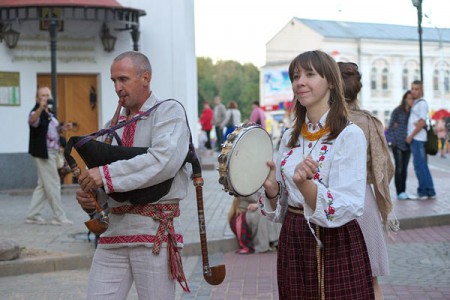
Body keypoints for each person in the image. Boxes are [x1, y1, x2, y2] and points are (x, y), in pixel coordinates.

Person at [75, 51, 191, 299]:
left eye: (123, 79)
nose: (117, 87)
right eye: (113, 81)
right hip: (114, 234)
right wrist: (91, 198)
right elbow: (104, 186)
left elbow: (163, 161)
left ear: (145, 78)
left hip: (152, 234)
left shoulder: (168, 112)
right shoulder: (111, 126)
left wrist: (104, 176)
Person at [260, 50, 374, 299]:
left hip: (334, 241)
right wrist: (272, 189)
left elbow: (350, 203)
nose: (300, 82)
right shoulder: (291, 136)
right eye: (296, 75)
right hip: (293, 239)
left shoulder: (348, 135)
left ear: (331, 81)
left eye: (310, 74)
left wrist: (307, 186)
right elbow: (281, 207)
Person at [339, 61, 397, 300]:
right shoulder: (370, 121)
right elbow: (386, 169)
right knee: (370, 281)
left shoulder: (327, 122)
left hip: (331, 201)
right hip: (364, 203)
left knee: (336, 279)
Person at [26, 86, 73, 226]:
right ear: (37, 98)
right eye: (43, 95)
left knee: (43, 185)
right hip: (43, 153)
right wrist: (40, 107)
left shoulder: (49, 112)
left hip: (52, 152)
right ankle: (59, 217)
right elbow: (32, 121)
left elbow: (51, 130)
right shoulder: (37, 111)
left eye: (48, 95)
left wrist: (63, 128)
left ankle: (32, 215)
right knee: (53, 184)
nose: (46, 97)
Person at [406, 80, 436, 199]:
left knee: (419, 166)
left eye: (416, 89)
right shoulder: (417, 103)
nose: (413, 91)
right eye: (412, 88)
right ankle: (429, 191)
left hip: (418, 139)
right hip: (417, 139)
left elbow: (421, 122)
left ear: (421, 90)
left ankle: (423, 191)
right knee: (422, 165)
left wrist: (410, 136)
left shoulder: (422, 104)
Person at [227, 189, 281, 254]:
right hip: (244, 214)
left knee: (273, 210)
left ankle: (275, 241)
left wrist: (258, 205)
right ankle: (270, 243)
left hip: (256, 210)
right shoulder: (245, 186)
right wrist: (258, 205)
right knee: (263, 212)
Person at [386, 91, 415, 200]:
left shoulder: (413, 112)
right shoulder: (397, 111)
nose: (410, 100)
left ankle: (403, 191)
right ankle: (399, 192)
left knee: (405, 169)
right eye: (409, 98)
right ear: (404, 99)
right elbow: (390, 127)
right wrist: (392, 141)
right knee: (399, 168)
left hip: (408, 144)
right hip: (397, 143)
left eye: (412, 99)